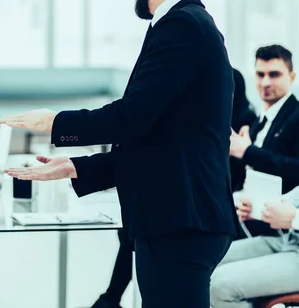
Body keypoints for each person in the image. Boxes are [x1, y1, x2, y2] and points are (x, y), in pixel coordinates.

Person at [0, 0, 238, 308]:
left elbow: (132, 117)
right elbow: (161, 140)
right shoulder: (193, 26)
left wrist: (55, 122)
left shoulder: (181, 27)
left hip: (179, 221)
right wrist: (75, 167)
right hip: (182, 217)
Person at [87, 67, 256, 308]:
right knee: (137, 230)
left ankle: (110, 299)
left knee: (152, 236)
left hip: (225, 214)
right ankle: (111, 298)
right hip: (206, 205)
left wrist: (245, 152)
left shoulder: (243, 126)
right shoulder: (201, 122)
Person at [230, 45, 299, 237]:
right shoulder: (255, 122)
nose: (266, 82)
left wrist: (248, 152)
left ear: (292, 77)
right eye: (260, 75)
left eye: (274, 74)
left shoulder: (296, 116)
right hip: (249, 219)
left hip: (282, 230)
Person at [210, 188, 299, 307]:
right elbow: (290, 200)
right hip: (290, 239)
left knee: (219, 286)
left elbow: (293, 216)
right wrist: (263, 210)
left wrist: (294, 218)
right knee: (209, 258)